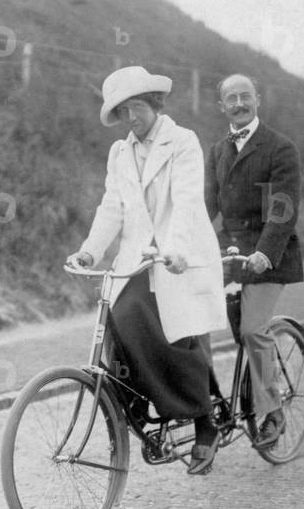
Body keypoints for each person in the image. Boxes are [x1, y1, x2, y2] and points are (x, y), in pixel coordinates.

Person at [70, 66, 227, 476]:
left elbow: (188, 202)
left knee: (167, 330)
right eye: (123, 112)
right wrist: (91, 251)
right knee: (118, 321)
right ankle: (139, 406)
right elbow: (113, 208)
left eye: (136, 108)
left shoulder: (182, 142)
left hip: (179, 257)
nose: (131, 119)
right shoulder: (120, 153)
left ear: (154, 104)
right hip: (137, 260)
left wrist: (173, 249)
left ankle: (204, 421)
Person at [204, 74, 304, 448]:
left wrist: (264, 251)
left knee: (251, 330)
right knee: (192, 322)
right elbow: (206, 208)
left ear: (257, 100)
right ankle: (206, 412)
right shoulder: (217, 151)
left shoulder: (280, 148)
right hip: (229, 255)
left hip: (268, 256)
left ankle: (272, 410)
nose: (239, 103)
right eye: (232, 98)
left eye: (246, 96)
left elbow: (283, 207)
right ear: (222, 106)